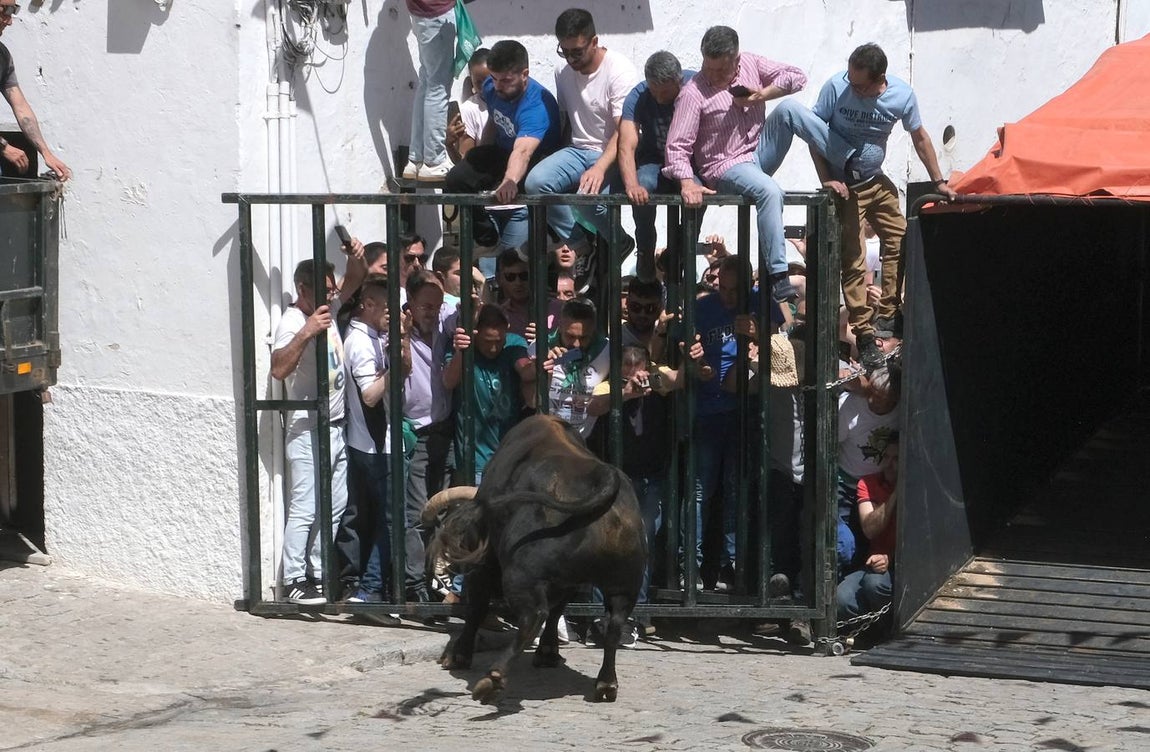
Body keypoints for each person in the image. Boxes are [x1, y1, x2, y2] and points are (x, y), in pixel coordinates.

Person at [788, 43, 955, 367]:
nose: (851, 86)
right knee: (854, 254)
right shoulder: (837, 87)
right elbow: (815, 135)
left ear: (879, 80)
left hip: (876, 180)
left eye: (859, 84)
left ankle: (889, 314)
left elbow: (920, 138)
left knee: (900, 234)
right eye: (849, 78)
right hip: (846, 186)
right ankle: (863, 332)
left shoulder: (901, 97)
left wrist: (938, 181)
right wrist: (827, 179)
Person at [663, 25, 806, 304]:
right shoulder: (693, 93)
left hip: (758, 153)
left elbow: (798, 77)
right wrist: (686, 181)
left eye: (720, 70)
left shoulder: (751, 63)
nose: (712, 75)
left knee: (791, 110)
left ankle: (843, 158)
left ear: (736, 60)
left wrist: (761, 95)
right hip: (725, 166)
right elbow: (677, 146)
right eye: (708, 67)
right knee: (770, 191)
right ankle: (778, 274)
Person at [524, 8, 640, 257]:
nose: (571, 59)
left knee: (586, 199)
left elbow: (624, 130)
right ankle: (578, 242)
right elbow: (567, 120)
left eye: (577, 52)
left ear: (594, 41)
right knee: (535, 183)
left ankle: (619, 241)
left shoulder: (619, 70)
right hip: (577, 150)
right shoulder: (562, 72)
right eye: (564, 52)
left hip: (613, 151)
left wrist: (599, 168)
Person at [271, 260, 349, 605]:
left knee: (335, 505)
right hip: (307, 428)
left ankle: (317, 574)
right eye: (325, 290)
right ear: (303, 289)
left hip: (334, 425)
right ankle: (294, 578)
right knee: (305, 506)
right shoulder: (292, 322)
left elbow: (356, 278)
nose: (332, 296)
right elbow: (278, 369)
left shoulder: (326, 309)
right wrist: (307, 331)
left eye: (333, 290)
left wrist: (356, 256)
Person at [443, 40, 561, 252]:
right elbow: (494, 120)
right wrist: (480, 157)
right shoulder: (491, 87)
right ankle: (486, 238)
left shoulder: (536, 106)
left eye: (506, 80)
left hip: (536, 158)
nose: (498, 86)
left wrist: (509, 180)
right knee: (456, 179)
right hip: (504, 151)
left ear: (524, 74)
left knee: (531, 181)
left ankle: (553, 233)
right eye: (494, 79)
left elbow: (523, 151)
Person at [339, 275, 407, 614]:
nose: (392, 315)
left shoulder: (371, 337)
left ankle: (372, 587)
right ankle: (370, 590)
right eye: (387, 308)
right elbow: (369, 395)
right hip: (376, 447)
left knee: (380, 518)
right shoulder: (361, 343)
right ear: (367, 305)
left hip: (369, 444)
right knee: (392, 519)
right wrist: (394, 367)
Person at [618, 51, 695, 282]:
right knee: (643, 186)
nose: (660, 98)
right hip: (655, 161)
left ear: (679, 81)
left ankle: (682, 249)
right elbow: (626, 144)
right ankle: (644, 249)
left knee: (699, 195)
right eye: (655, 91)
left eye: (666, 92)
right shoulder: (639, 96)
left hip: (691, 163)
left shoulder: (696, 87)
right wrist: (632, 185)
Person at [400, 270, 453, 602]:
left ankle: (437, 580)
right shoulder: (398, 333)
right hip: (417, 432)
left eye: (438, 305)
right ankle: (413, 583)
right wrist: (404, 336)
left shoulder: (446, 328)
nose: (432, 312)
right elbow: (401, 368)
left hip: (445, 428)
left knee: (444, 512)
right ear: (410, 304)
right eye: (425, 306)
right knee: (419, 512)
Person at [443, 303, 533, 480]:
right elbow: (448, 382)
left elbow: (526, 370)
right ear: (475, 334)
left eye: (499, 341)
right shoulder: (460, 347)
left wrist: (541, 363)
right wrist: (462, 352)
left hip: (508, 458)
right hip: (474, 460)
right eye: (487, 342)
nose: (493, 348)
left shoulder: (514, 344)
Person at [836, 362, 901, 574]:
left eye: (880, 398)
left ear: (893, 400)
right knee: (843, 545)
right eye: (871, 392)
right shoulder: (851, 408)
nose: (872, 400)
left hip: (878, 485)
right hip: (846, 484)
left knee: (868, 541)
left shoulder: (901, 412)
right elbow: (831, 445)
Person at [0, 1, 71, 181]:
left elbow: (21, 108)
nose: (10, 21)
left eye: (13, 10)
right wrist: (3, 147)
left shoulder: (2, 57)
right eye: (5, 10)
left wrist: (46, 153)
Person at [837, 432, 899, 632]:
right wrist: (896, 494)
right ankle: (873, 631)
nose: (889, 464)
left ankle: (890, 632)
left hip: (901, 565)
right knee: (841, 599)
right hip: (874, 562)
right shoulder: (868, 483)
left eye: (896, 459)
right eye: (886, 457)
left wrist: (891, 558)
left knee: (875, 584)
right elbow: (871, 529)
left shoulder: (920, 487)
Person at [541, 297, 610, 439]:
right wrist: (543, 374)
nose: (577, 344)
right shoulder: (541, 347)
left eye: (584, 338)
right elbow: (531, 401)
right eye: (570, 336)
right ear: (559, 325)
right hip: (546, 441)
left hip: (583, 443)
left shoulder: (607, 351)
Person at [402, 0, 456, 182]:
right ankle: (434, 162)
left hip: (422, 15)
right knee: (438, 87)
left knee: (427, 83)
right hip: (436, 13)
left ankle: (416, 159)